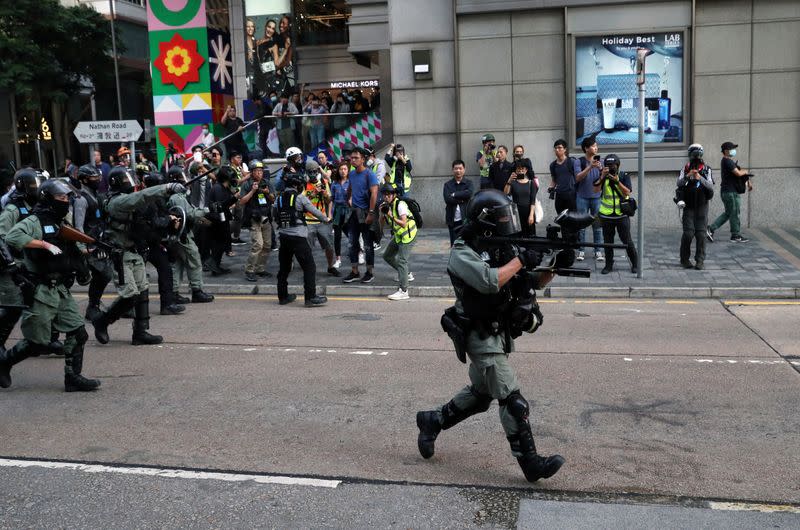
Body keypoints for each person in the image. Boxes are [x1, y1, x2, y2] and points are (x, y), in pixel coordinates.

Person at [415, 189, 564, 483]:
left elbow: (529, 279)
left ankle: (432, 421)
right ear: (485, 221)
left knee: (481, 394)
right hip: (479, 335)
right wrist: (521, 259)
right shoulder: (462, 251)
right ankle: (531, 464)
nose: (507, 222)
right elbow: (489, 281)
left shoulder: (497, 246)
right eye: (502, 218)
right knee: (512, 399)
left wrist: (554, 263)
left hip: (497, 331)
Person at [0, 179, 100, 391]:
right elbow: (12, 236)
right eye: (61, 198)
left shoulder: (61, 221)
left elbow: (73, 248)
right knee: (37, 343)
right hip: (40, 290)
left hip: (60, 288)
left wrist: (90, 252)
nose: (65, 202)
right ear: (48, 199)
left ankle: (73, 378)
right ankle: (4, 363)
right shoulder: (35, 220)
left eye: (66, 198)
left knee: (78, 332)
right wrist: (43, 244)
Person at [91, 168, 185, 346]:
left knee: (142, 290)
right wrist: (167, 187)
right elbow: (141, 197)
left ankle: (140, 332)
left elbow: (146, 205)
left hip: (135, 251)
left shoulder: (128, 200)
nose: (131, 183)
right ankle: (102, 321)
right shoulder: (117, 202)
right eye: (127, 180)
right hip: (120, 255)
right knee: (130, 295)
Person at [0, 168, 42, 351]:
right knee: (13, 307)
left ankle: (41, 340)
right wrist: (11, 265)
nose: (36, 189)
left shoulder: (37, 206)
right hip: (12, 264)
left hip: (30, 262)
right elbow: (2, 237)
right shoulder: (12, 209)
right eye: (32, 186)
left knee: (38, 302)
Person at [133, 171, 186, 316]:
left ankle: (167, 304)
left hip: (153, 243)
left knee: (165, 269)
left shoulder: (157, 198)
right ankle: (129, 308)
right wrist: (169, 219)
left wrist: (172, 219)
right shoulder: (147, 201)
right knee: (136, 278)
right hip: (141, 244)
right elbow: (155, 222)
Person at [274, 173, 330, 307]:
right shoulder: (300, 198)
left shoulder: (279, 199)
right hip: (298, 237)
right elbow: (314, 211)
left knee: (284, 268)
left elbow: (274, 214)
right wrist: (326, 219)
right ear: (297, 185)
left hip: (283, 237)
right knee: (309, 267)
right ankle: (310, 297)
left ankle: (283, 296)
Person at [165, 166, 215, 304]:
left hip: (176, 235)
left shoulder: (174, 196)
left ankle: (174, 292)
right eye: (182, 178)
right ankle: (197, 291)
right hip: (182, 235)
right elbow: (189, 214)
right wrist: (206, 210)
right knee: (194, 261)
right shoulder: (177, 197)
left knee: (179, 264)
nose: (186, 181)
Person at [71, 165, 114, 321]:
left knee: (104, 274)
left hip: (99, 241)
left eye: (98, 178)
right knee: (103, 274)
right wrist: (82, 247)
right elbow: (78, 226)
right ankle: (92, 307)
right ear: (84, 180)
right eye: (94, 178)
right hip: (88, 244)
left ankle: (93, 306)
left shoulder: (96, 195)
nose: (97, 180)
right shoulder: (81, 199)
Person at [594, 154, 639, 274]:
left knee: (627, 240)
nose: (610, 167)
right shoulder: (603, 175)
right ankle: (608, 265)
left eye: (613, 165)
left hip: (621, 215)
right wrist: (602, 176)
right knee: (608, 242)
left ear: (617, 165)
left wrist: (617, 181)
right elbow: (596, 191)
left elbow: (627, 192)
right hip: (606, 215)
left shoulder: (624, 175)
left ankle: (635, 263)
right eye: (608, 165)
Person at [342, 148, 379, 284]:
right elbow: (350, 187)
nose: (352, 160)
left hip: (366, 213)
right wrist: (348, 197)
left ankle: (369, 272)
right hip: (353, 212)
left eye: (356, 158)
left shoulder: (370, 174)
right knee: (352, 243)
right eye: (351, 158)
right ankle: (355, 272)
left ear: (363, 159)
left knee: (368, 245)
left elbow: (374, 194)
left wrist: (371, 213)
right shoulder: (351, 174)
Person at [677, 144, 714, 270]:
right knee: (688, 233)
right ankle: (684, 259)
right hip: (688, 205)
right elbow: (679, 183)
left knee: (701, 234)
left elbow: (710, 186)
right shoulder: (685, 169)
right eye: (694, 155)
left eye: (697, 155)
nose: (696, 158)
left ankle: (700, 260)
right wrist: (688, 175)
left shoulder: (707, 169)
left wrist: (700, 178)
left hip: (702, 206)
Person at [707, 141, 752, 243]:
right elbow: (738, 173)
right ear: (726, 151)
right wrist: (746, 171)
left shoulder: (728, 161)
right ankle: (735, 235)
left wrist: (748, 181)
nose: (734, 151)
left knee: (729, 213)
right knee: (734, 213)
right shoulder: (727, 161)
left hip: (729, 191)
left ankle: (711, 229)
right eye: (732, 149)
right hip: (730, 193)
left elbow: (737, 176)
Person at [380, 184, 417, 300]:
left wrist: (390, 216)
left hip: (408, 235)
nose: (386, 197)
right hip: (399, 235)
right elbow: (382, 223)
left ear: (394, 195)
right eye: (384, 195)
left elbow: (403, 223)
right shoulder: (386, 206)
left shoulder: (400, 204)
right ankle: (407, 274)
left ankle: (404, 290)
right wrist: (382, 215)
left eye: (388, 195)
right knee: (387, 256)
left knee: (402, 261)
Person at [239, 161, 274, 282]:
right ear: (252, 172)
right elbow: (242, 201)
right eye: (256, 171)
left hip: (266, 217)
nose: (259, 173)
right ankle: (249, 270)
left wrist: (267, 193)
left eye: (261, 171)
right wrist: (253, 191)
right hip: (254, 219)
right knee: (258, 245)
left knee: (267, 245)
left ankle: (260, 268)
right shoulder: (247, 184)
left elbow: (273, 199)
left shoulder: (266, 183)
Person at [303, 160, 339, 277]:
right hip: (308, 221)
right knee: (307, 248)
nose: (313, 174)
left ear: (318, 171)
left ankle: (330, 266)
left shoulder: (323, 182)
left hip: (322, 220)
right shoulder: (304, 184)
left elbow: (329, 201)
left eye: (314, 171)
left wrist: (324, 194)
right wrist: (312, 193)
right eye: (310, 172)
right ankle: (309, 269)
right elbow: (301, 202)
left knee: (329, 246)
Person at [205, 165, 239, 275]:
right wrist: (234, 198)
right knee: (218, 244)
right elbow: (221, 206)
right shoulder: (218, 188)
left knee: (220, 244)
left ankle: (215, 266)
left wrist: (234, 198)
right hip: (217, 220)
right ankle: (212, 264)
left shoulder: (223, 188)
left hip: (221, 219)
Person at [574, 137, 604, 262]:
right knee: (581, 225)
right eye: (593, 146)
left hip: (597, 198)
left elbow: (603, 180)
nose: (596, 148)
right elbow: (578, 178)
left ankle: (598, 251)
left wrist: (602, 170)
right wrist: (590, 167)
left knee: (597, 225)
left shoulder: (601, 161)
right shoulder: (578, 161)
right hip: (582, 197)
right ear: (586, 148)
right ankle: (581, 250)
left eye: (596, 146)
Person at [504, 158, 538, 237]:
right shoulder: (513, 182)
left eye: (522, 169)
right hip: (516, 213)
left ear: (526, 170)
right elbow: (506, 193)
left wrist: (531, 215)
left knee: (530, 237)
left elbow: (533, 201)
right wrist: (509, 181)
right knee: (517, 237)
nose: (520, 171)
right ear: (515, 170)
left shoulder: (531, 183)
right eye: (518, 169)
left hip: (528, 212)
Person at [443, 159, 473, 245]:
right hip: (452, 219)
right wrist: (462, 199)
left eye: (460, 168)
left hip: (465, 219)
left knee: (466, 244)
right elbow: (447, 199)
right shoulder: (448, 185)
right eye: (456, 168)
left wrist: (454, 194)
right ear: (453, 170)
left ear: (464, 169)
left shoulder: (469, 183)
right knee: (454, 244)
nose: (458, 171)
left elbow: (469, 194)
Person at [331, 160, 351, 268]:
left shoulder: (351, 182)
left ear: (348, 170)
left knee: (351, 235)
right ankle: (338, 259)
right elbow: (332, 199)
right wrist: (330, 214)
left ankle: (359, 253)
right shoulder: (334, 183)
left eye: (345, 169)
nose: (343, 171)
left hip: (348, 210)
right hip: (337, 211)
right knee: (337, 236)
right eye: (341, 169)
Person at [548, 139, 578, 214]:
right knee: (561, 218)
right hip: (559, 195)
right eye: (555, 148)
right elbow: (554, 180)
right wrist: (551, 187)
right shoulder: (553, 165)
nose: (557, 150)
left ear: (565, 149)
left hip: (571, 195)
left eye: (559, 147)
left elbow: (579, 177)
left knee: (572, 219)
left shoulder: (572, 162)